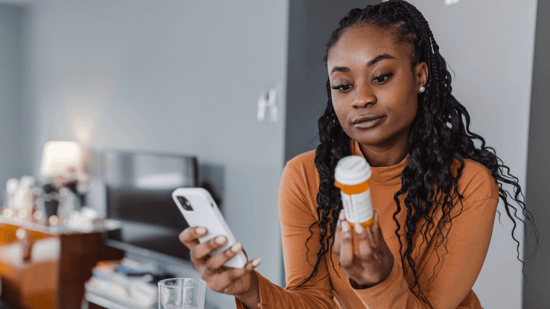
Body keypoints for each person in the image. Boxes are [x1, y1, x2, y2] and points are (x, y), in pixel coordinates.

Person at [178, 1, 539, 308]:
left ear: (420, 75)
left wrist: (379, 281)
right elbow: (313, 300)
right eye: (343, 85)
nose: (360, 99)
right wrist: (251, 289)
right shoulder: (306, 175)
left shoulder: (470, 184)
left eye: (381, 77)